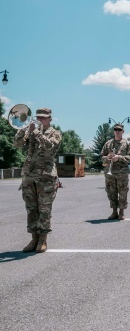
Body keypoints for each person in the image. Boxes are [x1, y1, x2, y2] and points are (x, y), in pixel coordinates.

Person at [13, 108, 62, 253]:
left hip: (46, 177)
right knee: (31, 209)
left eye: (43, 117)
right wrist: (23, 130)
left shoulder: (55, 133)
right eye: (38, 117)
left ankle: (43, 240)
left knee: (44, 209)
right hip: (29, 175)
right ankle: (34, 239)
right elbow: (17, 144)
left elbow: (49, 147)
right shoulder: (31, 131)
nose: (40, 120)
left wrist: (36, 133)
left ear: (50, 119)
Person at [101, 124, 130, 220]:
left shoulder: (127, 143)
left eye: (119, 130)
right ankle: (114, 211)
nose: (117, 131)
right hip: (109, 172)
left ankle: (122, 212)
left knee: (123, 192)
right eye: (115, 129)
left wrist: (119, 158)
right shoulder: (108, 144)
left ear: (123, 131)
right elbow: (101, 156)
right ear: (113, 131)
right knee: (111, 192)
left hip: (122, 172)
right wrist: (107, 158)